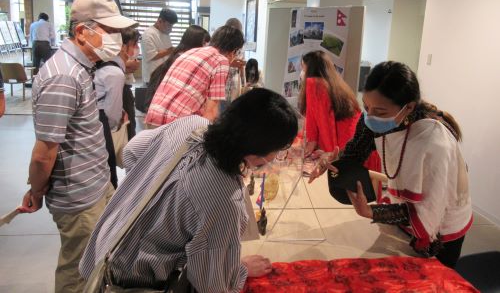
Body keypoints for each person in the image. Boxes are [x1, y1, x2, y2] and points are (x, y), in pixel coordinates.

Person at [80, 88, 298, 292]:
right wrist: (240, 269)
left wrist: (151, 197)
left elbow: (133, 151)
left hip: (104, 250)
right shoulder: (225, 200)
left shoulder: (192, 125)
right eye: (278, 150)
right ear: (258, 151)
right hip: (132, 282)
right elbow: (211, 284)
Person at [18, 0, 138, 293]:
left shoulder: (83, 68)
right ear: (82, 31)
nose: (116, 39)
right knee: (78, 273)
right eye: (109, 31)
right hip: (79, 198)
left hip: (94, 185)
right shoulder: (64, 77)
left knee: (95, 265)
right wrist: (36, 189)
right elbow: (44, 153)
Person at [317, 61, 473, 268]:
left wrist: (372, 212)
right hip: (405, 213)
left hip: (441, 225)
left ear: (408, 107)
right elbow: (354, 154)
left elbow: (428, 210)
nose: (370, 116)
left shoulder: (434, 142)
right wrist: (334, 162)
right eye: (366, 106)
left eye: (380, 112)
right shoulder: (374, 119)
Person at [145, 25, 244, 127]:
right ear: (234, 51)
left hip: (153, 116)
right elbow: (211, 112)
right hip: (175, 124)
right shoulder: (221, 61)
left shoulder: (192, 51)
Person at [300, 51, 380, 176]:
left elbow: (324, 128)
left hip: (351, 153)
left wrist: (324, 155)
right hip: (363, 147)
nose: (302, 72)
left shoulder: (315, 85)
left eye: (303, 67)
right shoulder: (334, 84)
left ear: (309, 68)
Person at [94, 27, 140, 188]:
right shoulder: (115, 73)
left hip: (99, 125)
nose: (136, 49)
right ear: (122, 46)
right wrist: (117, 124)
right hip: (103, 127)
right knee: (109, 169)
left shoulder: (105, 66)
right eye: (134, 44)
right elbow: (112, 115)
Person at [144, 25, 210, 111]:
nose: (206, 47)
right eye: (204, 43)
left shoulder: (178, 56)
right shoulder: (184, 61)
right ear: (195, 42)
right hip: (166, 109)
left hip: (160, 107)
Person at [140, 8, 177, 85]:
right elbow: (152, 55)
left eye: (172, 25)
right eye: (169, 25)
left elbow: (168, 53)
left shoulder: (165, 33)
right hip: (152, 79)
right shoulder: (148, 34)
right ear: (160, 21)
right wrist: (170, 50)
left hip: (164, 77)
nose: (170, 28)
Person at [221, 18, 246, 110]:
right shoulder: (220, 44)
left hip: (235, 85)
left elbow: (242, 66)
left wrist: (244, 82)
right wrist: (230, 63)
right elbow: (217, 62)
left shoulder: (240, 46)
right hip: (222, 85)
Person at [121, 28, 141, 140]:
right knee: (128, 126)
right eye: (134, 44)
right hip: (123, 91)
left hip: (126, 89)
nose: (137, 48)